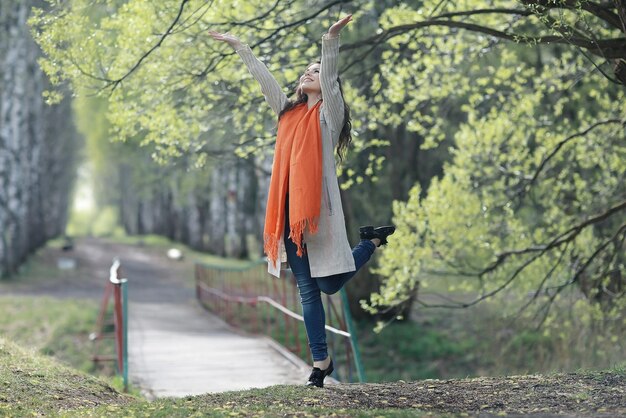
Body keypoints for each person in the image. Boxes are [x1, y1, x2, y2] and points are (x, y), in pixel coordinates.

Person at [209, 15, 395, 388]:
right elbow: (267, 85)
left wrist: (330, 41)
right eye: (305, 71)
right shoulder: (288, 114)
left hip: (319, 216)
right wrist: (242, 49)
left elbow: (329, 77)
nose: (308, 75)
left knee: (329, 287)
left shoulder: (330, 115)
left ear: (328, 86)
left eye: (315, 71)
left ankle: (368, 243)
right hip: (289, 216)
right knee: (309, 291)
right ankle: (320, 361)